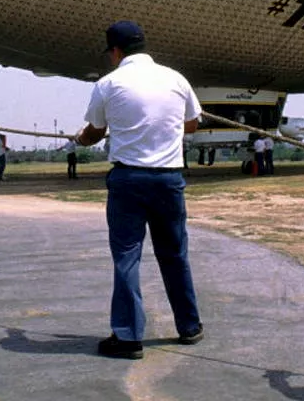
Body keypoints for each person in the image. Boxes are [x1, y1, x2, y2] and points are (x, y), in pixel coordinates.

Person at [73, 20, 205, 359]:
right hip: (169, 179)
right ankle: (189, 326)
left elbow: (95, 131)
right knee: (175, 254)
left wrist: (81, 138)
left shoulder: (109, 83)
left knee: (127, 256)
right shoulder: (175, 78)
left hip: (129, 181)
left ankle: (129, 336)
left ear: (115, 52)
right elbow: (191, 123)